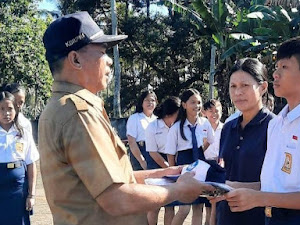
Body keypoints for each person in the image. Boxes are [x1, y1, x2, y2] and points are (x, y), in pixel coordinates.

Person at [39, 11, 213, 225]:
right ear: (75, 59)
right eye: (102, 52)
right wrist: (177, 190)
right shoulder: (79, 112)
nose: (109, 61)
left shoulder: (61, 107)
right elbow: (116, 198)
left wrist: (166, 172)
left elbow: (113, 181)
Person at [213, 33, 300, 225]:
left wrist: (260, 198)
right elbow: (276, 185)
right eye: (277, 66)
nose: (275, 74)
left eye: (285, 67)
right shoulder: (278, 123)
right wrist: (230, 189)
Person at [216, 58, 275, 225]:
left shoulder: (275, 127)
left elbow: (282, 182)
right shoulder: (228, 128)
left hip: (261, 217)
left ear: (263, 87)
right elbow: (224, 172)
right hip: (227, 215)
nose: (238, 92)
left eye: (245, 86)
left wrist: (237, 188)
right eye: (233, 86)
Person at [164, 88, 214, 225]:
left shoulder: (205, 123)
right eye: (193, 102)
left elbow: (210, 140)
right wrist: (174, 173)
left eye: (199, 102)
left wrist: (199, 153)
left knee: (199, 207)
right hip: (184, 165)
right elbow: (170, 153)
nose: (197, 106)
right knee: (184, 208)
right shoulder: (176, 128)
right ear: (184, 105)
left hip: (200, 164)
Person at [0, 90, 39, 225]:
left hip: (18, 190)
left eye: (10, 108)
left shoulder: (23, 132)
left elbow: (31, 163)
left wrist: (31, 195)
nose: (6, 113)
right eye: (2, 109)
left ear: (16, 109)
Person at [145, 96, 181, 225]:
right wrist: (167, 168)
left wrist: (172, 167)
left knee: (170, 204)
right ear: (170, 113)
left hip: (172, 161)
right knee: (154, 204)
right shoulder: (152, 126)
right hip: (156, 163)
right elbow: (152, 151)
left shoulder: (178, 126)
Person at [202, 99, 224, 225]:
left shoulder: (226, 128)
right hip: (205, 166)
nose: (214, 114)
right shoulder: (201, 127)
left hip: (220, 166)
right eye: (211, 111)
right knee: (207, 204)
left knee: (218, 202)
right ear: (204, 113)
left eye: (217, 111)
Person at [126, 90, 158, 170]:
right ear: (142, 102)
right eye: (146, 100)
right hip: (141, 152)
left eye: (152, 100)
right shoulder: (134, 118)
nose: (150, 102)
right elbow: (131, 141)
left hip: (157, 153)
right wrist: (142, 161)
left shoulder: (157, 120)